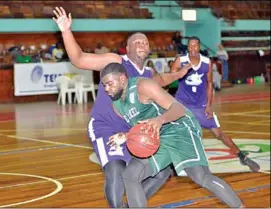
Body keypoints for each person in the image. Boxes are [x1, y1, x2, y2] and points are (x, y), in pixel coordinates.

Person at [52, 7, 190, 208]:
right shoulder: (115, 61)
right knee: (115, 169)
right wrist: (66, 30)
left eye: (145, 41)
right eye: (137, 41)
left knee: (163, 170)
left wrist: (180, 73)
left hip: (132, 131)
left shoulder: (149, 74)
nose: (142, 43)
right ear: (128, 48)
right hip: (105, 126)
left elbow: (164, 79)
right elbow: (79, 59)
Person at [101, 62, 244, 208]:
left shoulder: (142, 86)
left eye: (110, 84)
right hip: (157, 137)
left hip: (179, 127)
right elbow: (141, 127)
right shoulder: (117, 105)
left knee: (200, 176)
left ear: (122, 78)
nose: (106, 89)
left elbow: (178, 109)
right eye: (104, 85)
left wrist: (160, 120)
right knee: (130, 175)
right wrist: (126, 135)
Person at [171, 36, 260, 172]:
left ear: (199, 47)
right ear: (187, 47)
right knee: (172, 131)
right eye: (190, 46)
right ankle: (170, 165)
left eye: (195, 45)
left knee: (219, 134)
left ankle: (242, 156)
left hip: (200, 105)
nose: (193, 48)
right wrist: (179, 74)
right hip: (182, 103)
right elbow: (170, 77)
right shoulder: (180, 61)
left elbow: (210, 84)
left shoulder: (207, 62)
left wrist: (209, 105)